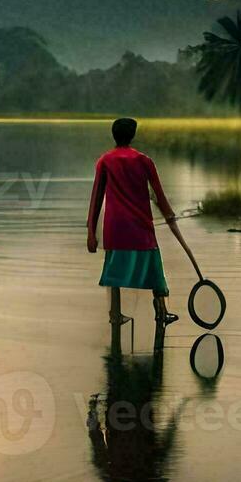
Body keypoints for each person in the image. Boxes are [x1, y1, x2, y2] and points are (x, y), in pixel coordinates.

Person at [87, 117, 180, 326]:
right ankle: (161, 309)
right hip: (140, 227)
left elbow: (96, 198)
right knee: (155, 268)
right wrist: (169, 215)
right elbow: (159, 194)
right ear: (133, 135)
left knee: (114, 271)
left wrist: (91, 232)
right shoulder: (143, 160)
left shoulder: (105, 160)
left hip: (116, 228)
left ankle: (115, 313)